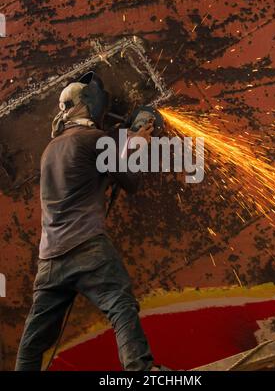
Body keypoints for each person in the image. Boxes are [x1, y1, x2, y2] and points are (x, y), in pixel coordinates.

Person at [15, 74, 164, 371]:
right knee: (120, 305)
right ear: (90, 105)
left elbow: (84, 173)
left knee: (34, 340)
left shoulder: (51, 149)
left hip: (50, 259)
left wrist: (120, 139)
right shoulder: (93, 140)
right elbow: (129, 181)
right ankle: (141, 371)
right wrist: (136, 145)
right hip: (87, 247)